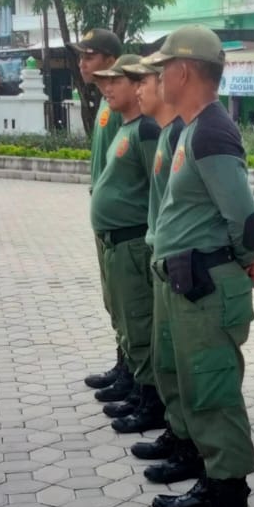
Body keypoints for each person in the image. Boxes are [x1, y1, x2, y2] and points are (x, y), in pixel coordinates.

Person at [138, 25, 254, 507]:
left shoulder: (213, 131)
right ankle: (211, 483)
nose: (158, 74)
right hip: (187, 281)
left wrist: (244, 261)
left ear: (183, 71)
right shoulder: (192, 129)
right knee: (194, 389)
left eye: (162, 66)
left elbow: (246, 220)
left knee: (215, 396)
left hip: (207, 286)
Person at [90, 54, 166, 434]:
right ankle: (136, 385)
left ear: (137, 86)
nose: (107, 88)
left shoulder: (147, 131)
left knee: (140, 322)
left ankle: (150, 401)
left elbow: (161, 189)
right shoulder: (124, 127)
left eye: (115, 81)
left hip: (135, 242)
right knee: (124, 318)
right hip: (115, 241)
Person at [125, 60, 189, 463]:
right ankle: (176, 431)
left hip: (185, 268)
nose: (140, 90)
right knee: (167, 358)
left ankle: (187, 443)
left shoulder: (184, 132)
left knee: (184, 365)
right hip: (163, 258)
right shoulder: (169, 134)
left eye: (146, 81)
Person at [75, 29, 134, 404]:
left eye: (90, 56)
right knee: (114, 297)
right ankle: (123, 361)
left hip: (124, 222)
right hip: (106, 217)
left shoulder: (120, 107)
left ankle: (132, 370)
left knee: (128, 300)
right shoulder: (103, 103)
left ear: (111, 61)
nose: (83, 64)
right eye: (81, 57)